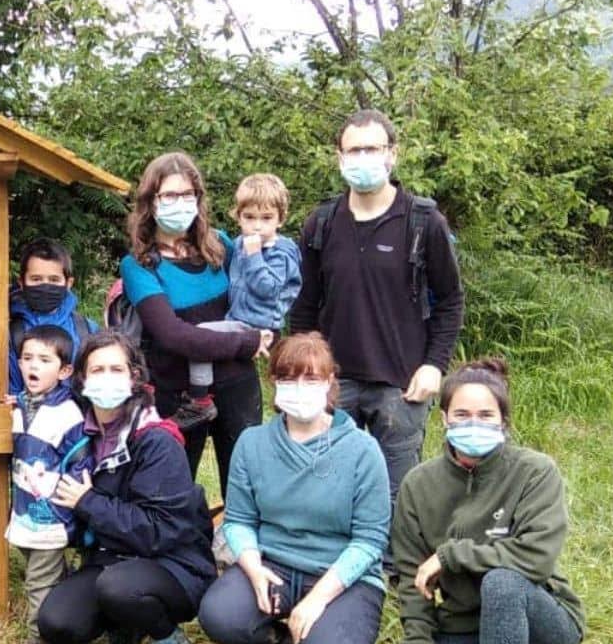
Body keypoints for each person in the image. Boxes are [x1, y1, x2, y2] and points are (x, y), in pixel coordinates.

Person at [369, 358, 586, 644]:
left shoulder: (536, 471)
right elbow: (410, 577)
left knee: (502, 582)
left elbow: (535, 559)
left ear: (503, 420)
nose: (474, 423)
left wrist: (449, 555)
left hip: (543, 619)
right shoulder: (418, 484)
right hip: (466, 623)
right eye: (463, 414)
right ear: (444, 419)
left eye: (486, 415)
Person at [195, 333, 389, 644]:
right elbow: (238, 520)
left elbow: (370, 540)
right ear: (273, 383)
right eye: (289, 378)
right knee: (219, 616)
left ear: (330, 383)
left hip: (341, 573)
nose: (300, 388)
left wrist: (319, 598)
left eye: (311, 379)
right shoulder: (252, 444)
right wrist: (252, 571)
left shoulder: (363, 450)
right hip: (273, 566)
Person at [289, 109, 464, 497]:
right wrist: (306, 372)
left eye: (373, 148)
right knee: (327, 490)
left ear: (392, 154)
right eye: (354, 150)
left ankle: (392, 561)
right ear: (339, 157)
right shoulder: (321, 223)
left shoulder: (424, 222)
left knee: (397, 496)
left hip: (400, 387)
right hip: (334, 384)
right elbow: (304, 305)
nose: (363, 158)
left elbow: (451, 300)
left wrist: (434, 366)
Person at [33, 331, 218, 644]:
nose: (106, 378)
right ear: (81, 378)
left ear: (135, 377)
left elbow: (159, 530)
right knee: (57, 623)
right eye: (97, 369)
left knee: (119, 587)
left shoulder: (156, 440)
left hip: (173, 564)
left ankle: (169, 639)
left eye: (116, 369)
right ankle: (127, 624)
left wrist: (88, 502)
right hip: (108, 558)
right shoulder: (80, 434)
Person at [118, 152, 271, 499]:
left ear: (199, 199)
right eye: (169, 196)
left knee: (245, 483)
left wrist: (268, 324)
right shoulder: (139, 265)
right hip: (179, 393)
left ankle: (237, 550)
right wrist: (246, 342)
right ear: (150, 202)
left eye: (187, 195)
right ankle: (180, 550)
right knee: (174, 485)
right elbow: (173, 335)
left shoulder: (221, 245)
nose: (180, 203)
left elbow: (255, 294)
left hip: (237, 385)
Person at [4, 325, 92, 644]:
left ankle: (37, 643)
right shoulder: (23, 405)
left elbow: (80, 464)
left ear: (65, 370)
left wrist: (67, 510)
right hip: (25, 513)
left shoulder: (68, 414)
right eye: (26, 358)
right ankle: (68, 631)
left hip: (50, 518)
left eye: (44, 359)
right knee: (49, 574)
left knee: (38, 581)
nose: (32, 366)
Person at [184, 173, 302, 423]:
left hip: (257, 324)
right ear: (237, 216)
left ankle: (199, 399)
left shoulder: (282, 253)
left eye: (266, 218)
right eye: (249, 217)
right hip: (237, 316)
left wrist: (254, 254)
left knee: (199, 337)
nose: (257, 226)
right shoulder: (239, 243)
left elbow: (267, 289)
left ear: (281, 219)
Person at [7, 236, 95, 399]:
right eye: (36, 279)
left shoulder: (87, 330)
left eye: (54, 280)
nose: (45, 285)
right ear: (21, 282)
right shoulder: (11, 334)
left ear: (68, 283)